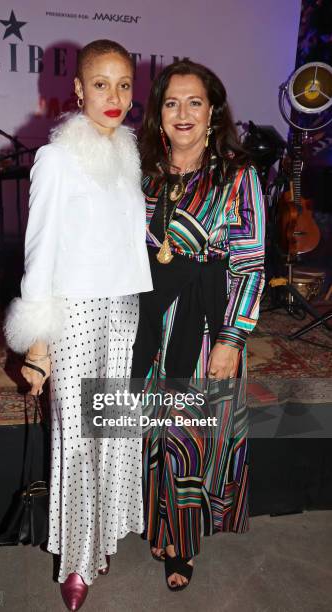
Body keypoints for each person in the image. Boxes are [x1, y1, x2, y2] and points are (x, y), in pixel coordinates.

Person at [4, 40, 152, 611]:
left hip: (123, 306)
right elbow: (39, 252)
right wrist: (38, 338)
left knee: (114, 428)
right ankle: (76, 560)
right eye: (100, 84)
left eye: (122, 85)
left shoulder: (128, 152)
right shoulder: (57, 157)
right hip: (76, 311)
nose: (112, 97)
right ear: (78, 89)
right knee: (78, 436)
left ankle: (103, 536)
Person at [131, 60, 265, 590]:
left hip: (209, 322)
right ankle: (152, 519)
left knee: (191, 436)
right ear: (157, 114)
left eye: (194, 102)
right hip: (147, 318)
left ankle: (182, 541)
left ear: (212, 112)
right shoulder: (140, 171)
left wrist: (232, 339)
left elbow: (251, 263)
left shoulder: (237, 174)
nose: (182, 113)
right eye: (171, 103)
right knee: (147, 429)